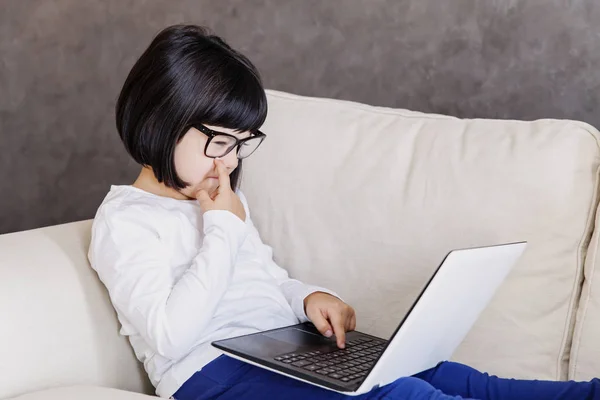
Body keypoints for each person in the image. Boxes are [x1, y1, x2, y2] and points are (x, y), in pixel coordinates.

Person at [88, 24, 600, 400]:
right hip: (213, 374)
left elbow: (263, 277)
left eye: (242, 145)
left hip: (282, 349)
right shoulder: (127, 220)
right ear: (161, 119)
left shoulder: (225, 201)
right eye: (219, 142)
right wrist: (222, 227)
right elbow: (170, 333)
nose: (228, 161)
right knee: (406, 398)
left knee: (449, 377)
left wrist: (304, 296)